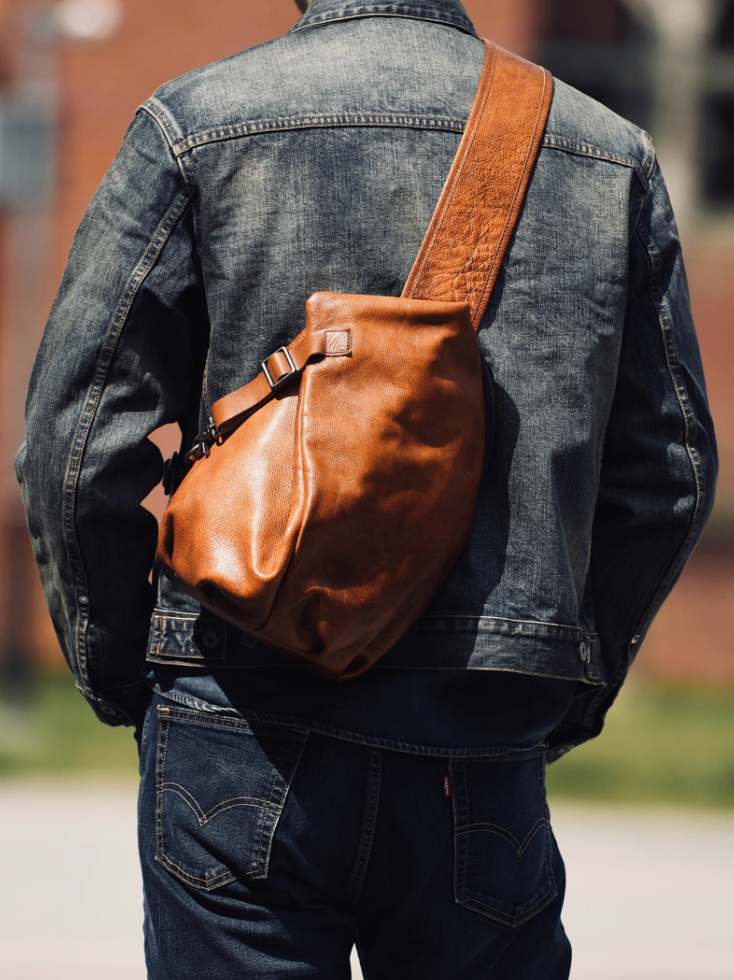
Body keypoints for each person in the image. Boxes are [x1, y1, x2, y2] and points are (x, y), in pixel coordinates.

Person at [16, 0, 717, 977]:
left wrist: (128, 664)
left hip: (237, 705)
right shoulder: (605, 154)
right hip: (475, 730)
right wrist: (561, 678)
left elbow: (77, 440)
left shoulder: (193, 125)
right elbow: (667, 476)